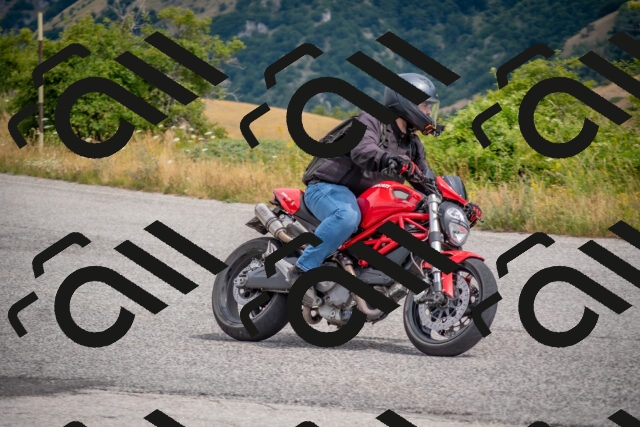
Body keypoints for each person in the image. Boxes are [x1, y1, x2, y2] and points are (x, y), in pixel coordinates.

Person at [291, 73, 443, 307]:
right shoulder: (371, 119)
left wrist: (453, 202)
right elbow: (362, 150)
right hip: (329, 188)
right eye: (425, 105)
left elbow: (425, 179)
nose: (429, 112)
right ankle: (302, 271)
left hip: (364, 199)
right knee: (346, 216)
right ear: (407, 103)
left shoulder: (412, 143)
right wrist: (389, 159)